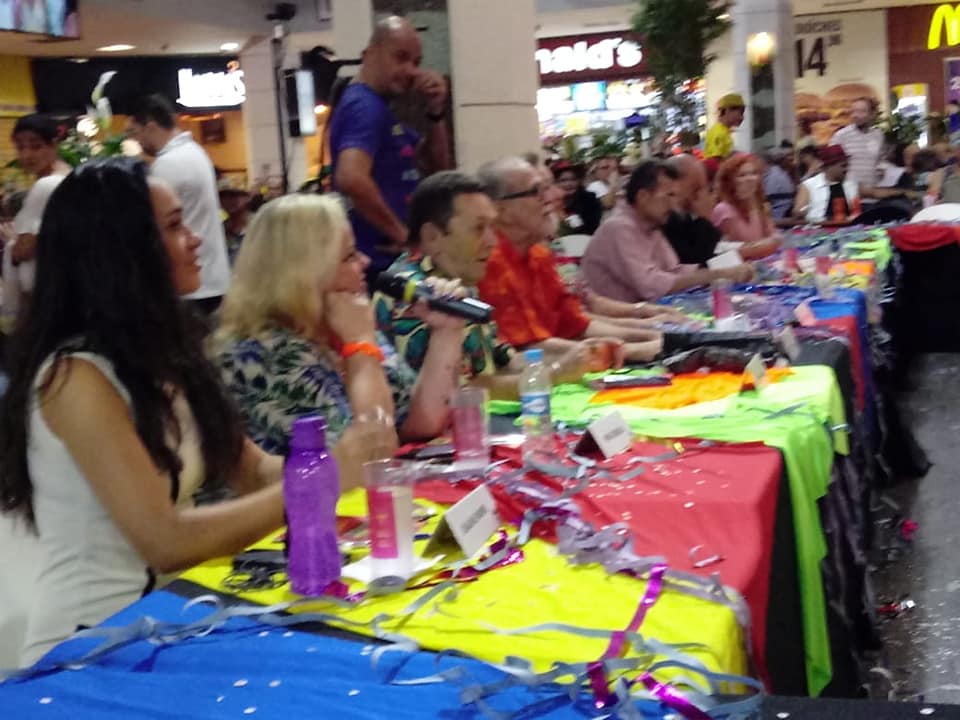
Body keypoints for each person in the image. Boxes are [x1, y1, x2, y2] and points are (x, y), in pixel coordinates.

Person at [0, 158, 293, 667]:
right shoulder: (74, 378)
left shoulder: (164, 354)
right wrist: (314, 488)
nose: (197, 239)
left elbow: (251, 469)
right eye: (175, 226)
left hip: (166, 625)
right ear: (124, 251)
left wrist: (341, 465)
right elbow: (165, 540)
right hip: (89, 648)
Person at [215, 194, 463, 456]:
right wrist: (361, 346)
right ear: (306, 275)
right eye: (349, 256)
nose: (365, 262)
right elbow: (371, 453)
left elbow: (419, 422)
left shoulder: (340, 323)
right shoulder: (262, 354)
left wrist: (446, 330)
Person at [374, 172, 618, 400]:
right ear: (432, 236)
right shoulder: (409, 293)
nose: (492, 241)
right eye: (479, 228)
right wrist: (555, 374)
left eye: (492, 227)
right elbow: (458, 393)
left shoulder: (457, 277)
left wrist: (581, 354)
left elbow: (504, 361)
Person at [476, 157, 664, 363]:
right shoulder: (487, 263)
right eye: (537, 191)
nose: (554, 196)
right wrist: (635, 349)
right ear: (500, 210)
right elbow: (527, 349)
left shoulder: (538, 255)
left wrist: (656, 335)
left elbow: (576, 325)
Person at [329, 15, 452, 286]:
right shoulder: (364, 106)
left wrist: (435, 111)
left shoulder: (380, 109)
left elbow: (437, 170)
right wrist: (404, 237)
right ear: (369, 54)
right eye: (400, 57)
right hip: (375, 267)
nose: (411, 71)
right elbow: (350, 177)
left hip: (386, 266)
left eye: (416, 62)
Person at [582, 160, 754, 303]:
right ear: (643, 196)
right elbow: (650, 286)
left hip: (647, 313)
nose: (674, 204)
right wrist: (714, 275)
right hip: (618, 321)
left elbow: (674, 270)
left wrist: (724, 270)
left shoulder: (651, 223)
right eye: (669, 196)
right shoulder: (619, 227)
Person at [126, 95, 231, 316]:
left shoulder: (168, 164)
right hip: (210, 275)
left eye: (134, 133)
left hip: (192, 280)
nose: (136, 141)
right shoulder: (194, 151)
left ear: (150, 127)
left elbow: (151, 224)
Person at [3, 114, 71, 324]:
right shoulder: (68, 176)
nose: (26, 155)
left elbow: (23, 250)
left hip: (40, 295)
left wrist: (10, 239)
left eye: (36, 146)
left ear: (54, 144)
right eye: (20, 147)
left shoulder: (46, 185)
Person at [711, 154, 781, 257]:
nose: (750, 178)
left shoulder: (759, 205)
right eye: (742, 175)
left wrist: (769, 242)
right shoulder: (724, 210)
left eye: (753, 173)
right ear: (730, 181)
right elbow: (731, 251)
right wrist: (767, 244)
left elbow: (775, 236)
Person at [662, 154, 722, 267]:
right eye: (696, 188)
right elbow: (698, 262)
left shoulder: (686, 216)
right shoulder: (665, 218)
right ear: (675, 184)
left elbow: (716, 247)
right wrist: (704, 219)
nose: (701, 194)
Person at [794, 145, 860, 223]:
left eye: (847, 166)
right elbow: (797, 212)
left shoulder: (851, 185)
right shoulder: (809, 185)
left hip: (847, 227)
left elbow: (856, 212)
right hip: (817, 227)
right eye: (843, 166)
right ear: (829, 166)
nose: (846, 169)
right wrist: (805, 210)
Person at [830, 97, 884, 191]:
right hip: (849, 192)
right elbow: (831, 166)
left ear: (872, 114)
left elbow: (881, 160)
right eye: (853, 111)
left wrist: (882, 169)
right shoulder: (841, 135)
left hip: (873, 191)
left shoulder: (878, 135)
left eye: (861, 112)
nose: (855, 115)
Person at [553, 162, 603, 236]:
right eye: (563, 180)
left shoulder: (590, 200)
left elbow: (592, 228)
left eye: (573, 179)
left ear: (579, 181)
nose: (569, 184)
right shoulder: (550, 202)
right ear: (555, 183)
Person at [704, 93, 745, 166]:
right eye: (740, 113)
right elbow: (716, 161)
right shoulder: (719, 133)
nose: (742, 118)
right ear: (727, 111)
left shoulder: (724, 131)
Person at [219, 179, 251, 266]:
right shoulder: (220, 230)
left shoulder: (259, 225)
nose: (228, 200)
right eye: (223, 197)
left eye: (233, 195)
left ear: (247, 197)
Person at [761, 147, 796, 221]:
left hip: (777, 219)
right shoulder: (782, 173)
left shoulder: (772, 176)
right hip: (782, 216)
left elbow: (763, 200)